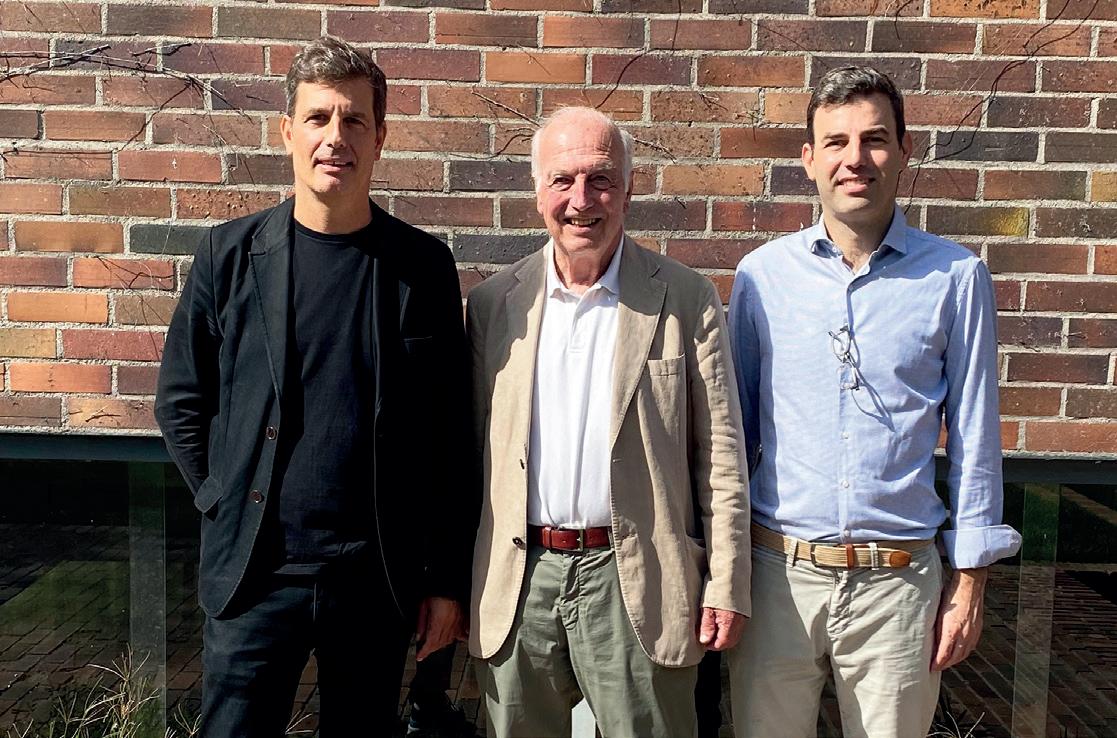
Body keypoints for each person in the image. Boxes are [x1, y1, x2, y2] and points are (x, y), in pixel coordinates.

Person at [154, 35, 475, 737]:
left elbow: (452, 436)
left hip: (375, 578)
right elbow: (180, 399)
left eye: (354, 119)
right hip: (255, 573)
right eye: (319, 117)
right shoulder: (229, 256)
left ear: (380, 136)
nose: (336, 137)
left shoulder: (421, 268)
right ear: (287, 132)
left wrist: (445, 579)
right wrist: (220, 495)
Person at [727, 65, 1021, 738]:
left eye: (874, 139)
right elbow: (732, 437)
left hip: (898, 586)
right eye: (835, 141)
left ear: (903, 150)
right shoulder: (761, 277)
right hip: (776, 578)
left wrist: (969, 581)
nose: (854, 158)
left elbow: (975, 437)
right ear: (808, 158)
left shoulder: (955, 277)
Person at [466, 106, 752, 738]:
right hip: (520, 580)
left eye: (600, 179)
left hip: (638, 579)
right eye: (562, 180)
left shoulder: (685, 299)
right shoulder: (494, 305)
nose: (581, 199)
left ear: (628, 188)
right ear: (537, 190)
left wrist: (727, 582)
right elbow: (470, 456)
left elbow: (721, 457)